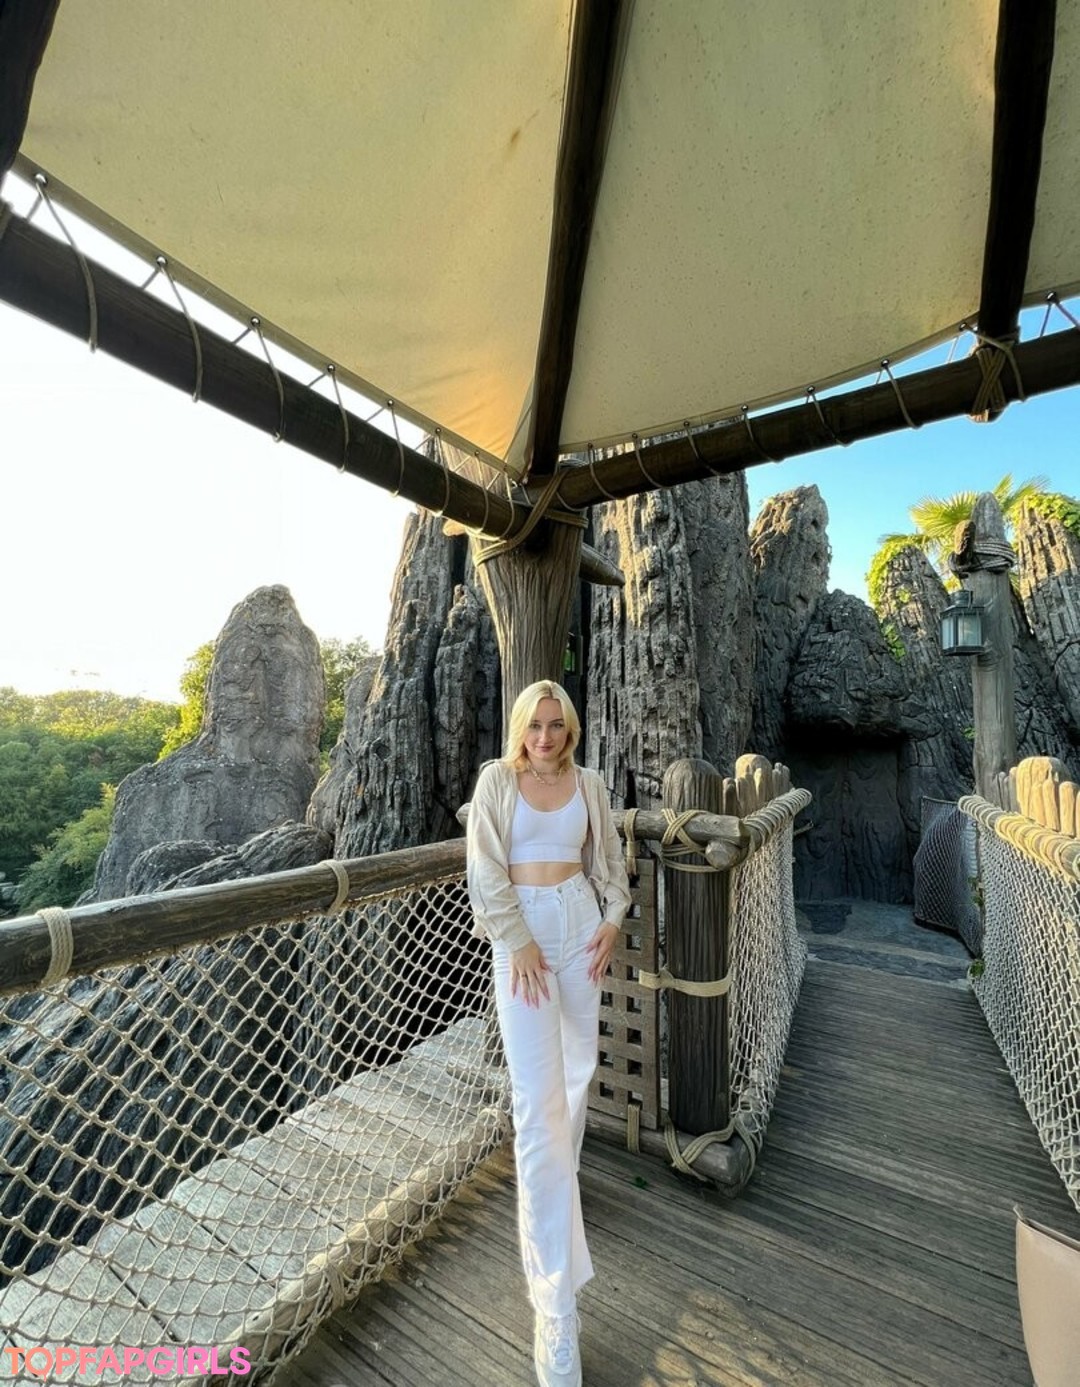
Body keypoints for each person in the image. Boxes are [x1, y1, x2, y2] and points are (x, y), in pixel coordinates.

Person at [465, 679, 632, 1387]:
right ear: (519, 728)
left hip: (578, 926)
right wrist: (518, 940)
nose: (544, 737)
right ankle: (555, 1311)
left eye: (555, 725)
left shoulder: (588, 783)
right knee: (537, 1112)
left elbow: (612, 867)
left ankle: (559, 1211)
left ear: (570, 730)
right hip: (523, 940)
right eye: (534, 725)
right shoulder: (496, 781)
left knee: (575, 1080)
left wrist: (612, 920)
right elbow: (484, 869)